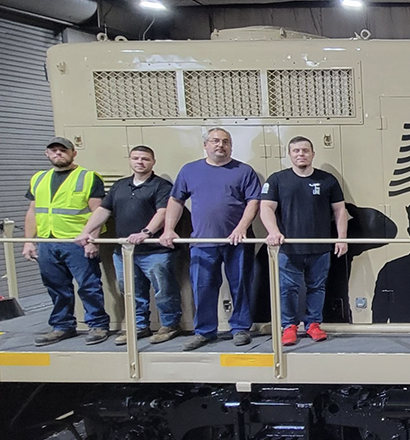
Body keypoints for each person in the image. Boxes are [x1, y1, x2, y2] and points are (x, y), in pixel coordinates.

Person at [160, 128, 262, 351]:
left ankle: (240, 328)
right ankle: (204, 331)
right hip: (202, 243)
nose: (220, 145)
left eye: (225, 141)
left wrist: (241, 228)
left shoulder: (244, 171)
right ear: (205, 145)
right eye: (215, 141)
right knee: (203, 287)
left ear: (231, 146)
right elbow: (176, 201)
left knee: (241, 286)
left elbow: (253, 202)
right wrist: (168, 229)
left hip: (238, 242)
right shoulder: (189, 170)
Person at [75, 146, 182, 346]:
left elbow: (163, 212)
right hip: (125, 251)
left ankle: (170, 325)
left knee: (164, 291)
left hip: (155, 251)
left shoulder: (161, 186)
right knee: (131, 292)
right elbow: (103, 210)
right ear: (130, 160)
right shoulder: (120, 186)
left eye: (145, 159)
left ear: (153, 162)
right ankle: (139, 326)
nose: (140, 162)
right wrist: (86, 231)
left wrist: (146, 233)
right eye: (136, 158)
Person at [260, 136, 349, 347]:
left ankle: (313, 324)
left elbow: (340, 210)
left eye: (305, 150)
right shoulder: (277, 180)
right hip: (288, 248)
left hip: (320, 247)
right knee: (287, 288)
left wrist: (342, 239)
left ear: (312, 154)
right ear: (289, 154)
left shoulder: (327, 180)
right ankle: (289, 326)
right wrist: (273, 232)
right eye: (296, 151)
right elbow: (266, 208)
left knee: (317, 287)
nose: (301, 154)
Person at [22, 136, 110, 346]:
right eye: (53, 150)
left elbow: (98, 211)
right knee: (55, 287)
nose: (58, 153)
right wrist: (28, 241)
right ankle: (62, 326)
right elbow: (32, 211)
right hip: (47, 242)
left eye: (63, 150)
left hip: (77, 242)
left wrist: (93, 240)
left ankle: (98, 325)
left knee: (88, 285)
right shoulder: (39, 178)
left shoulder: (88, 177)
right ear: (47, 154)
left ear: (73, 153)